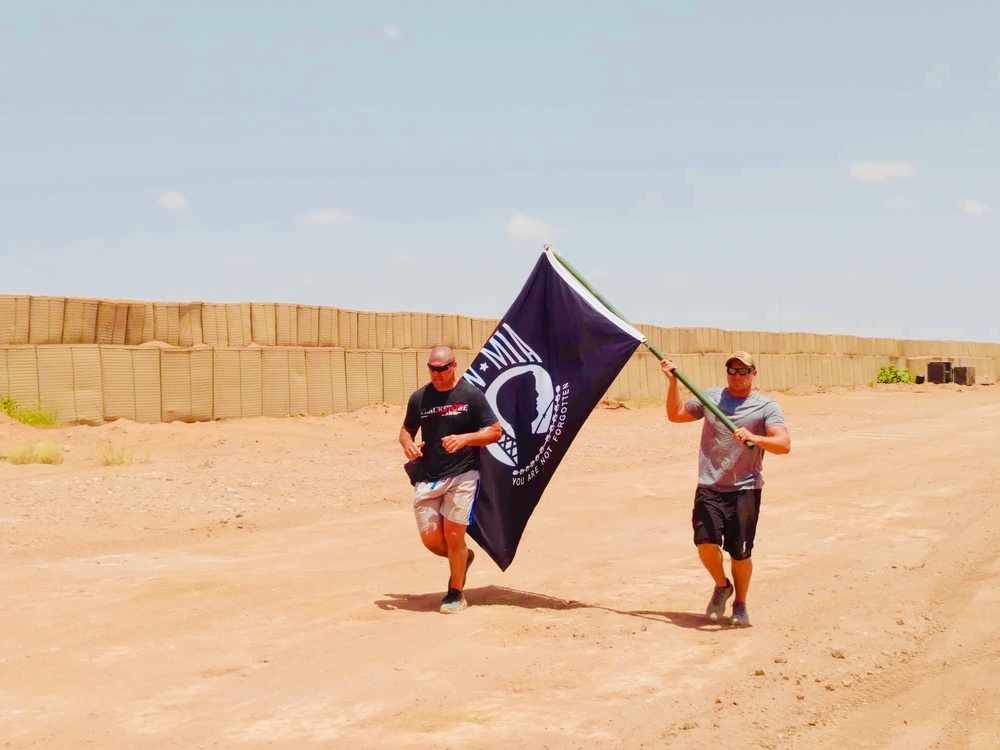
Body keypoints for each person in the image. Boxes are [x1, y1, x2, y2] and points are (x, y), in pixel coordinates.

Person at [660, 351, 791, 627]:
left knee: (740, 552)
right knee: (705, 543)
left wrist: (753, 436)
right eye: (732, 370)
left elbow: (784, 444)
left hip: (745, 488)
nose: (737, 376)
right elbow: (676, 415)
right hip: (710, 484)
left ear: (754, 374)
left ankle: (740, 603)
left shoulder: (766, 406)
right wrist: (673, 383)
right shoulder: (711, 398)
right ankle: (722, 586)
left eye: (744, 371)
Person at [400, 345, 502, 614]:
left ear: (454, 366)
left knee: (454, 535)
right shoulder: (419, 398)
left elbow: (494, 432)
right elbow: (406, 430)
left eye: (442, 369)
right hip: (428, 477)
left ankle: (456, 593)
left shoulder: (470, 395)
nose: (437, 374)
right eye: (432, 368)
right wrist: (408, 444)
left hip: (463, 474)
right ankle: (463, 558)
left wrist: (465, 438)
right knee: (432, 540)